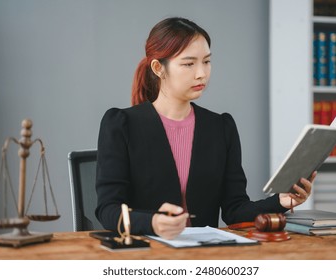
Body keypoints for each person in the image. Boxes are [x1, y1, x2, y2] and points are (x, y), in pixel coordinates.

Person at [95, 17, 316, 240]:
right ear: (158, 68)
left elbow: (234, 210)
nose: (201, 73)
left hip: (205, 254)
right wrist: (152, 222)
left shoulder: (221, 127)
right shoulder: (121, 124)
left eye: (207, 62)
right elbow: (108, 210)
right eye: (189, 64)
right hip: (146, 253)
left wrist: (281, 201)